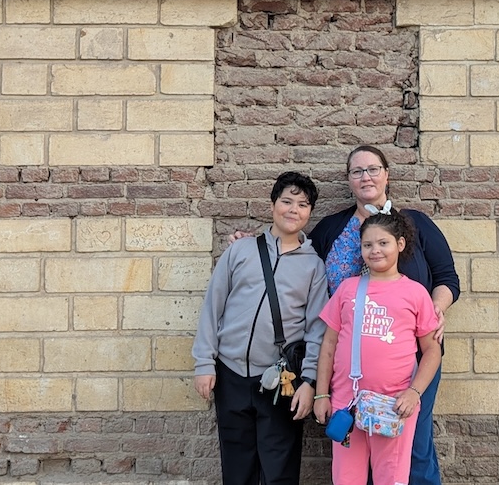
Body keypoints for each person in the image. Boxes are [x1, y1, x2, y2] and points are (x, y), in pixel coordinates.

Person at [309, 145, 460, 485]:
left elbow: (447, 277)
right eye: (357, 171)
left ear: (387, 174)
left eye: (373, 169)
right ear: (348, 180)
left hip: (411, 360)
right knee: (352, 457)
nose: (366, 177)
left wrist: (436, 308)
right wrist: (253, 244)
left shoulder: (415, 224)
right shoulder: (333, 227)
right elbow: (298, 256)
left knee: (413, 448)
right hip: (352, 370)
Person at [193, 171, 329, 485]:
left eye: (303, 204)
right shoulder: (240, 251)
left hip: (280, 381)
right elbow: (213, 307)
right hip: (230, 374)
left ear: (310, 213)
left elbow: (317, 331)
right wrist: (204, 362)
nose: (293, 210)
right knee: (237, 466)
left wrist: (309, 381)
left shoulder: (314, 267)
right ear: (272, 205)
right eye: (287, 201)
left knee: (279, 468)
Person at [313, 209, 443, 485]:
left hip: (394, 406)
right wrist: (321, 394)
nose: (375, 251)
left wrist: (414, 392)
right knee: (346, 479)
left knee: (391, 478)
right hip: (347, 404)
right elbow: (328, 345)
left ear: (400, 244)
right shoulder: (347, 290)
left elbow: (432, 350)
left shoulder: (415, 293)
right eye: (367, 245)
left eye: (383, 243)